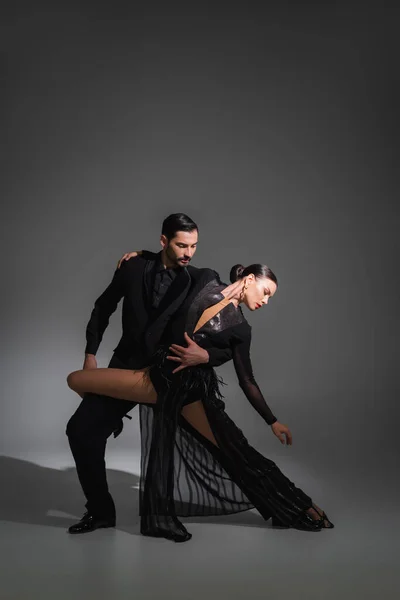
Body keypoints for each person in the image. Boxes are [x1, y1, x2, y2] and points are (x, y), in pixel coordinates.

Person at [67, 261, 334, 542]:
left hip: (181, 388)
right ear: (249, 279)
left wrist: (272, 421)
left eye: (269, 297)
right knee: (234, 449)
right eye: (265, 291)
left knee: (236, 449)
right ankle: (301, 506)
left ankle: (302, 506)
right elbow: (171, 261)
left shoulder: (242, 330)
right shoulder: (206, 279)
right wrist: (139, 255)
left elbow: (248, 380)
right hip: (159, 378)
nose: (266, 301)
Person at [66, 213, 232, 534]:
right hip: (127, 367)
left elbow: (229, 322)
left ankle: (284, 503)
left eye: (194, 246)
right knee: (81, 430)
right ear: (163, 241)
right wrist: (90, 354)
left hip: (170, 373)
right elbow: (103, 307)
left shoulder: (201, 277)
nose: (188, 253)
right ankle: (100, 512)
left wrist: (206, 354)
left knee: (222, 444)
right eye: (181, 245)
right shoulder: (133, 267)